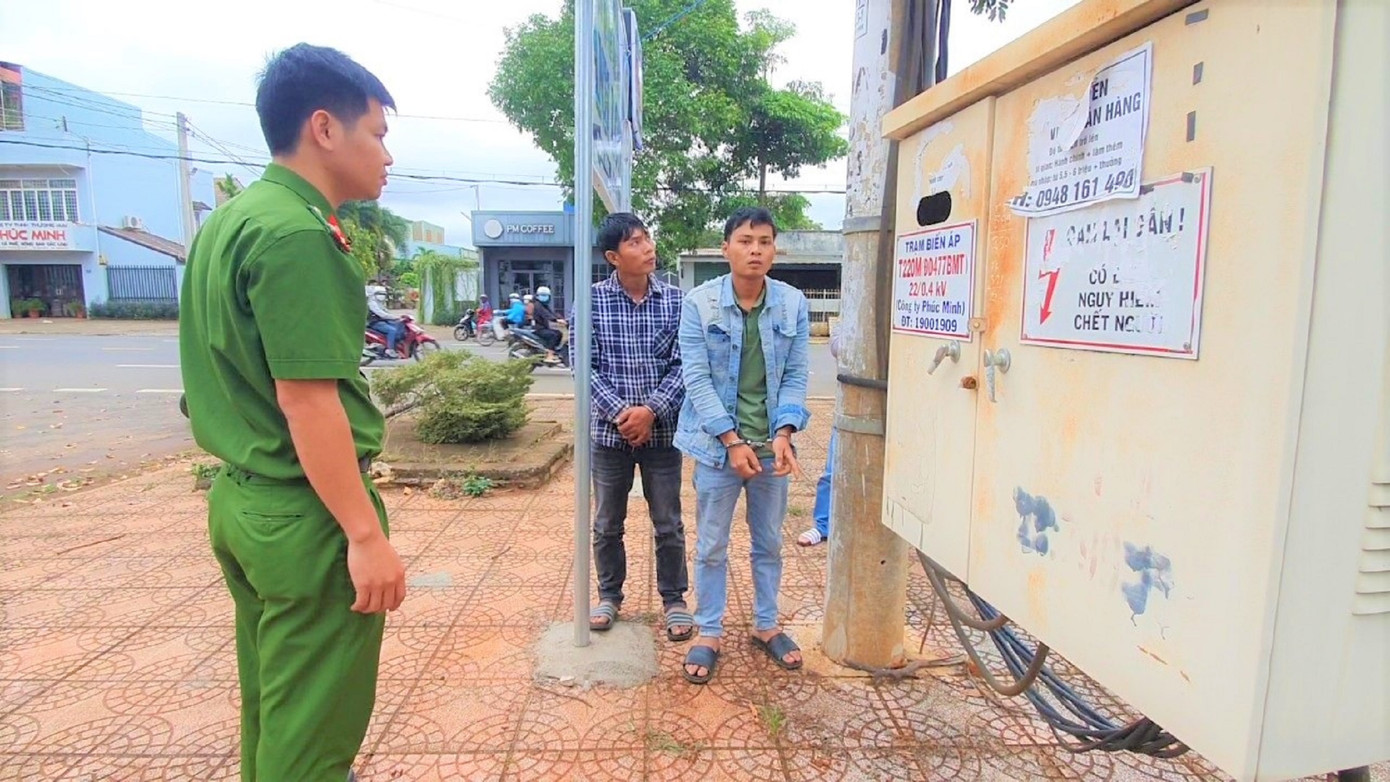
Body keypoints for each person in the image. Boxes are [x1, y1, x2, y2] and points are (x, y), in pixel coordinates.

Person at [178, 43, 406, 782]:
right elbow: (307, 401)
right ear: (324, 128)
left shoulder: (232, 219)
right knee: (312, 738)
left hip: (243, 501)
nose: (387, 155)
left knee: (276, 708)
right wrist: (365, 534)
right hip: (305, 515)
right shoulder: (299, 234)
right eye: (376, 132)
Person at [674, 206, 810, 684]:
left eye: (765, 241)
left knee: (769, 541)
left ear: (775, 249)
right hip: (717, 448)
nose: (756, 250)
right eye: (746, 240)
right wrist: (731, 439)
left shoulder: (793, 304)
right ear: (725, 247)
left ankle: (766, 625)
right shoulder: (700, 303)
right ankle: (708, 631)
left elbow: (795, 376)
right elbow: (695, 377)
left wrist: (784, 432)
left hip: (772, 448)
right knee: (712, 544)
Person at [581, 213, 691, 641]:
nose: (648, 248)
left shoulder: (676, 301)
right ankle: (609, 596)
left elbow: (685, 364)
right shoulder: (589, 302)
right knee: (607, 522)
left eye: (647, 239)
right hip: (610, 438)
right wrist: (624, 415)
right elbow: (583, 367)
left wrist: (651, 411)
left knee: (669, 522)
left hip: (663, 435)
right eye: (635, 243)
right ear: (613, 256)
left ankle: (674, 600)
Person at [799, 331, 842, 547]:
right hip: (851, 405)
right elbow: (836, 344)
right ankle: (823, 526)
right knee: (833, 471)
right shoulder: (857, 309)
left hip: (898, 406)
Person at [366, 284, 407, 357]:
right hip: (375, 323)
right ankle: (390, 349)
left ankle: (397, 346)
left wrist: (397, 318)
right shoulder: (372, 303)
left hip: (382, 321)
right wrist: (394, 317)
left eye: (383, 294)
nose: (382, 295)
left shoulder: (380, 303)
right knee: (392, 330)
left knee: (398, 325)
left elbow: (386, 312)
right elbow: (382, 314)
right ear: (375, 294)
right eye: (380, 294)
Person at [530, 285, 563, 361]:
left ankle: (554, 351)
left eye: (546, 295)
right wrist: (556, 320)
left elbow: (551, 313)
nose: (544, 297)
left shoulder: (544, 305)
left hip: (545, 327)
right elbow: (545, 315)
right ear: (538, 295)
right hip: (539, 328)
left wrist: (560, 318)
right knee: (553, 335)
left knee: (559, 333)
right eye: (542, 295)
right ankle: (549, 355)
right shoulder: (538, 305)